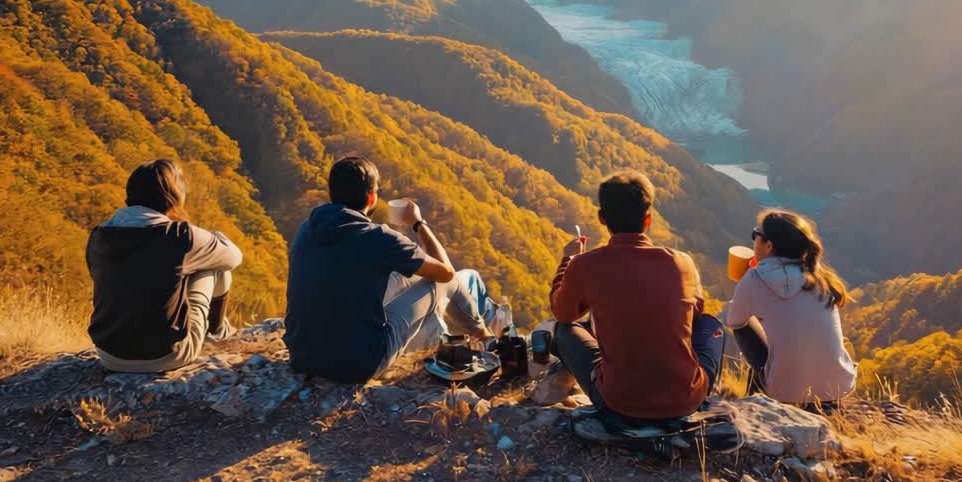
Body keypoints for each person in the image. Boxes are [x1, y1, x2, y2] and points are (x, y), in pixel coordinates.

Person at [284, 155, 497, 383]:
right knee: (441, 281)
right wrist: (419, 224)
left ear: (331, 193)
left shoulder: (306, 229)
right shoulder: (379, 237)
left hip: (302, 357)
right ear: (371, 196)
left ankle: (474, 335)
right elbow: (446, 273)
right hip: (359, 364)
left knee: (398, 273)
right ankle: (486, 339)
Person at [550, 170, 725, 421]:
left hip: (619, 403)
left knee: (564, 330)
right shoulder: (682, 263)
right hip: (685, 401)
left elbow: (562, 313)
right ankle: (698, 390)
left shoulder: (586, 265)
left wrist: (569, 260)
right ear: (648, 219)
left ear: (601, 218)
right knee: (711, 325)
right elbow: (694, 316)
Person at [87, 159, 241, 372]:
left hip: (108, 354)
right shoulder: (180, 236)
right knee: (212, 265)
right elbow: (233, 257)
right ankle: (217, 331)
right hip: (167, 355)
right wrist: (213, 238)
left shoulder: (98, 236)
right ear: (174, 196)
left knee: (176, 267)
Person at [725, 209, 857, 408]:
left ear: (768, 245)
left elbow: (734, 320)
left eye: (755, 235)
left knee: (743, 326)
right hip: (837, 389)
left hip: (785, 392)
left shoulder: (754, 278)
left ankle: (755, 404)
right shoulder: (819, 277)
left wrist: (745, 283)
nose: (753, 241)